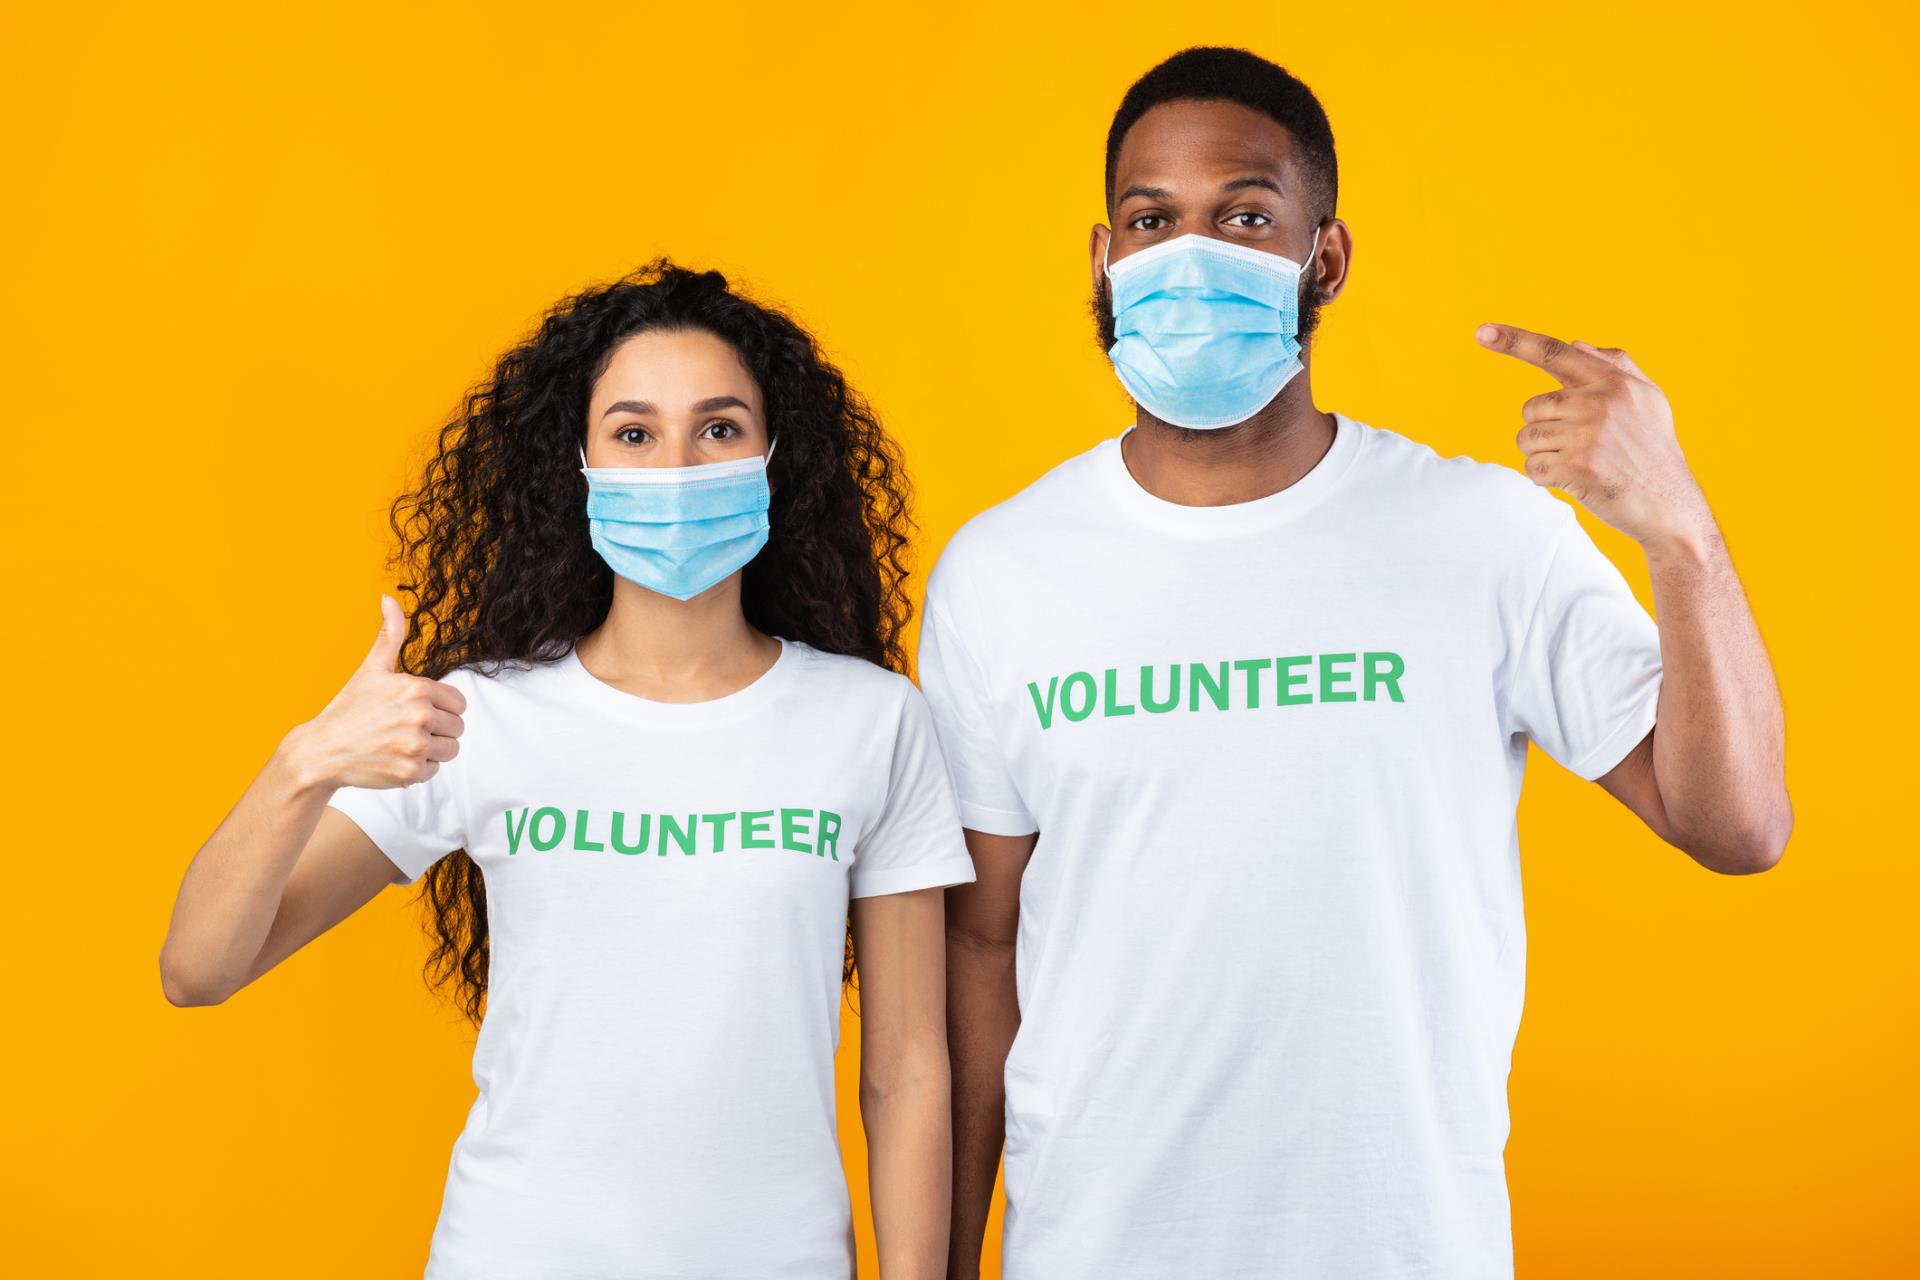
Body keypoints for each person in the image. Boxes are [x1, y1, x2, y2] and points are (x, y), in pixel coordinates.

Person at [922, 47, 1792, 1280]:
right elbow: (979, 947)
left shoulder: (1484, 536)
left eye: (1244, 216)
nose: (1189, 254)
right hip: (1096, 1247)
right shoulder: (1003, 573)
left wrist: (1679, 529)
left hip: (1403, 1247)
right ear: (1105, 259)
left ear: (1323, 257)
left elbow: (1740, 820)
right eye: (1151, 219)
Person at [158, 260, 975, 1280]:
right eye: (634, 433)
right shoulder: (480, 716)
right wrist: (303, 764)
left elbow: (905, 1068)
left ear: (774, 457)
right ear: (578, 466)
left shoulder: (871, 721)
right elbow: (199, 967)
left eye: (718, 427)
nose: (675, 464)